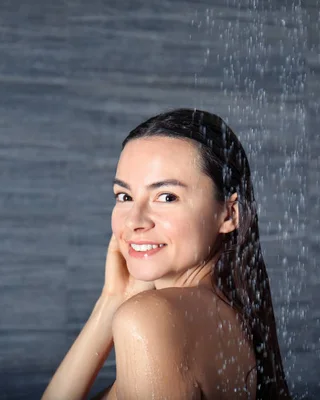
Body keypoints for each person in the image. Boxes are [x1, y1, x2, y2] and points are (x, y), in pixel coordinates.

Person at [42, 108, 291, 399]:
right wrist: (112, 300)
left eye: (166, 197)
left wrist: (123, 307)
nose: (135, 221)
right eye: (125, 197)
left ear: (228, 214)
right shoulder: (230, 316)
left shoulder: (150, 317)